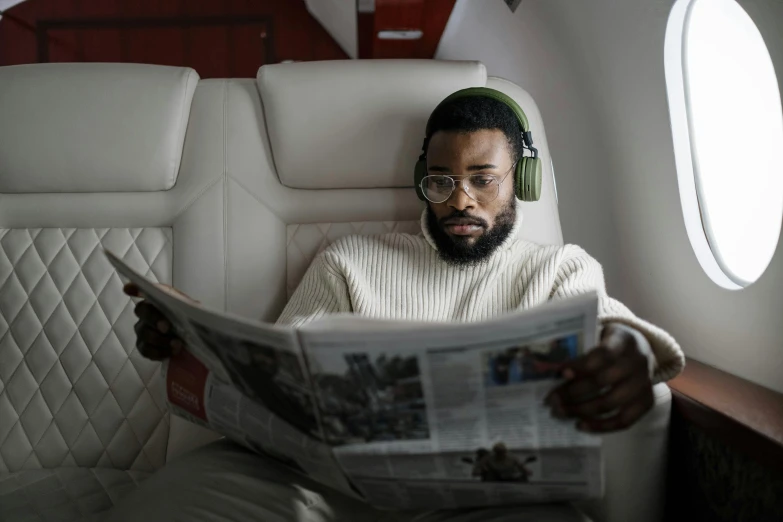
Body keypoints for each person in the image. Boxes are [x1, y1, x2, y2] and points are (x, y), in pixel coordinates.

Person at [121, 87, 685, 521]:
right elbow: (280, 378)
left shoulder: (559, 269)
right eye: (441, 181)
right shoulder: (349, 261)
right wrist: (190, 338)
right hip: (333, 498)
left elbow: (615, 326)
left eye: (483, 180)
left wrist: (628, 349)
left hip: (487, 503)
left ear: (522, 182)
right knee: (173, 498)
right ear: (423, 182)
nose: (460, 199)